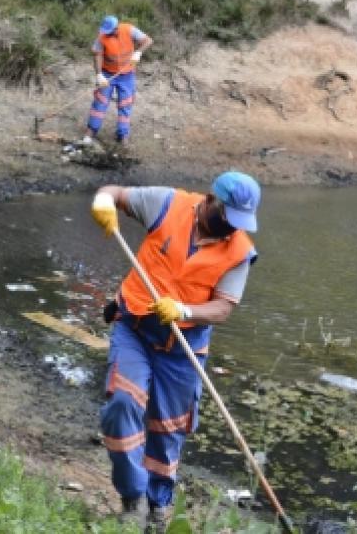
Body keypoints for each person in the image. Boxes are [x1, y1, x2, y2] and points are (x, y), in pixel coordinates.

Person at [89, 171, 260, 531]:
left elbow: (224, 308)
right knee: (123, 403)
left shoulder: (239, 252)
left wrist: (185, 311)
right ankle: (132, 498)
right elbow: (113, 191)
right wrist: (103, 202)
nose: (232, 229)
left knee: (168, 431)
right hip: (135, 327)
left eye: (240, 223)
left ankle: (158, 508)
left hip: (183, 348)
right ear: (212, 201)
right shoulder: (166, 203)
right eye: (229, 218)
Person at [82, 15, 152, 146]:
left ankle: (123, 135)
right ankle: (91, 131)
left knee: (125, 104)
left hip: (126, 75)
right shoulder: (102, 36)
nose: (107, 34)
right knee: (100, 102)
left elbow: (148, 41)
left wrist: (138, 52)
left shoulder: (129, 30)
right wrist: (99, 75)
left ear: (116, 28)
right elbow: (97, 55)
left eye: (110, 32)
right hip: (107, 74)